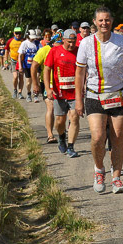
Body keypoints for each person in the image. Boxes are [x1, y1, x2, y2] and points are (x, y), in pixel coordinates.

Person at [75, 7, 123, 194]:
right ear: (95, 22)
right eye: (100, 20)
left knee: (118, 137)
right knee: (97, 137)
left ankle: (117, 177)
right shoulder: (86, 43)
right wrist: (79, 100)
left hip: (118, 94)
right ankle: (99, 169)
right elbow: (80, 73)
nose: (104, 23)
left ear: (112, 21)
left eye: (107, 20)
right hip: (94, 95)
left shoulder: (121, 41)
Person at [45, 29, 81, 158]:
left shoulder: (79, 51)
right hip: (59, 93)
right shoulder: (54, 51)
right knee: (60, 121)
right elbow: (47, 68)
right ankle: (61, 137)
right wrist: (48, 88)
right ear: (63, 40)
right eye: (69, 42)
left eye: (74, 42)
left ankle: (71, 146)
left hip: (75, 93)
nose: (71, 45)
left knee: (74, 117)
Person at [31, 30, 58, 142]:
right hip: (48, 84)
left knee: (65, 110)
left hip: (63, 84)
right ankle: (50, 135)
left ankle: (63, 131)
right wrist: (35, 84)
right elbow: (34, 66)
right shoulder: (44, 50)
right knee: (50, 107)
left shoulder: (67, 50)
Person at [17, 30, 40, 102]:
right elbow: (20, 55)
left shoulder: (37, 43)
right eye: (31, 37)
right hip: (27, 65)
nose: (33, 39)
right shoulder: (24, 43)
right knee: (28, 82)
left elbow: (42, 51)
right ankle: (28, 93)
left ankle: (35, 94)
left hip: (36, 65)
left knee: (36, 79)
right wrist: (20, 66)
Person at [7, 27, 24, 95]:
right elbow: (6, 50)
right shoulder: (10, 41)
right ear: (14, 33)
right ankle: (15, 90)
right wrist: (6, 61)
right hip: (13, 61)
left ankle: (20, 92)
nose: (18, 35)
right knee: (15, 77)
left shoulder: (23, 41)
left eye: (19, 33)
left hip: (22, 61)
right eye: (16, 33)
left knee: (21, 77)